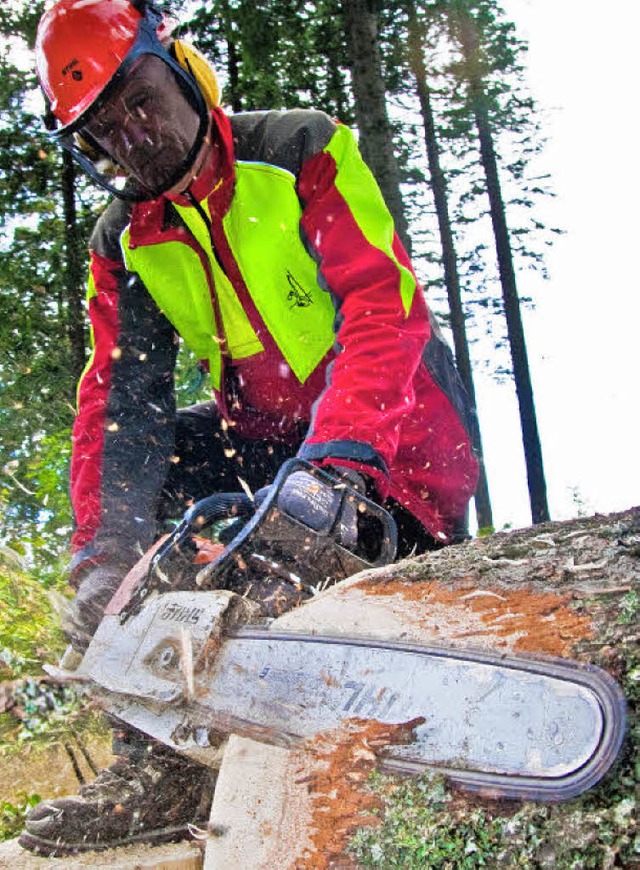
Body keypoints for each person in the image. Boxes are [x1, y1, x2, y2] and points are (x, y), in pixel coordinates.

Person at [21, 0, 479, 855]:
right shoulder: (127, 239)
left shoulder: (297, 150)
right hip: (264, 447)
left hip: (396, 434)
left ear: (183, 69)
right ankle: (161, 763)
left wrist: (336, 466)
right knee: (153, 484)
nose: (134, 136)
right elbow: (122, 405)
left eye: (141, 100)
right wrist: (104, 549)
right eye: (103, 130)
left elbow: (383, 308)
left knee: (385, 592)